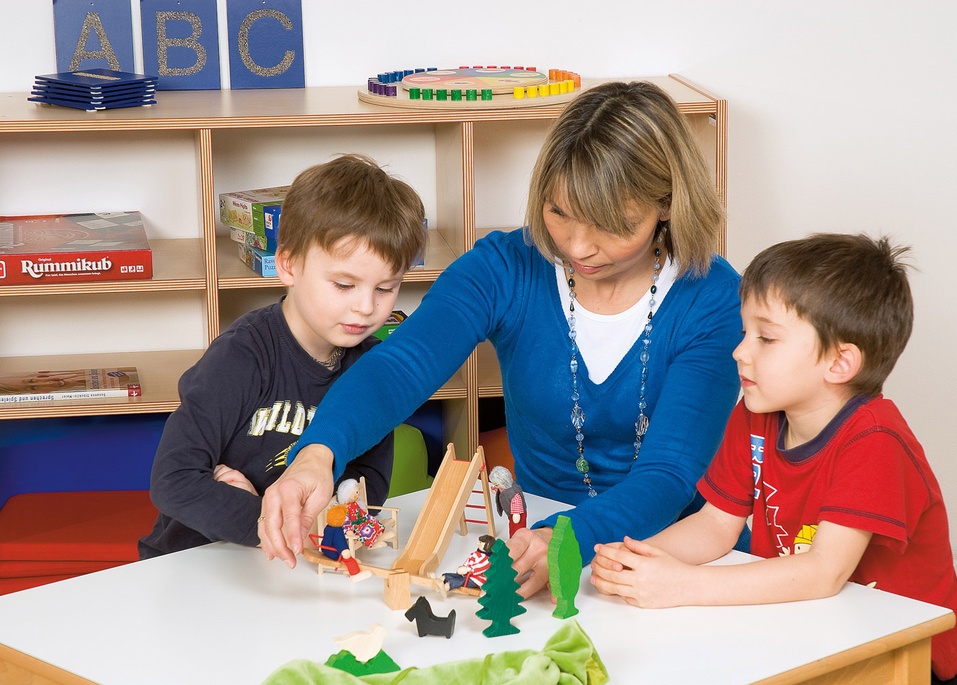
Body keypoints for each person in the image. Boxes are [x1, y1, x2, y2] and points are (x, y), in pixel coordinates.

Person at [259, 81, 742, 600]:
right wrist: (317, 453)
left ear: (666, 205)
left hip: (668, 557)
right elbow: (401, 366)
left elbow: (669, 474)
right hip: (528, 535)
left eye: (612, 225)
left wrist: (567, 539)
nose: (578, 246)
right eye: (559, 213)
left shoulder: (713, 299)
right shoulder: (505, 266)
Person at [590, 233, 957, 684]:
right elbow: (716, 525)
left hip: (906, 657)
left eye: (766, 339)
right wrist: (641, 558)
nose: (740, 351)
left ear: (839, 363)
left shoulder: (875, 442)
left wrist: (682, 585)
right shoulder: (756, 413)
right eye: (744, 332)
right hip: (808, 626)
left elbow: (823, 572)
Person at [138, 153, 427, 558]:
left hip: (298, 560)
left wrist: (280, 513)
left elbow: (366, 491)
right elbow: (173, 480)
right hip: (199, 561)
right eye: (344, 285)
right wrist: (264, 515)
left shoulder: (371, 370)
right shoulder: (241, 356)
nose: (366, 307)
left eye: (385, 288)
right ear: (288, 265)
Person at [488, 466, 527, 537]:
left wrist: (516, 514)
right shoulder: (502, 487)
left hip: (518, 514)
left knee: (518, 529)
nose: (495, 485)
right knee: (512, 528)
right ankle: (512, 539)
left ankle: (518, 541)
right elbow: (498, 490)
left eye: (496, 484)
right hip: (510, 514)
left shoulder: (514, 493)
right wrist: (495, 489)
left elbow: (517, 504)